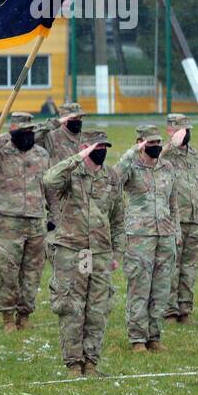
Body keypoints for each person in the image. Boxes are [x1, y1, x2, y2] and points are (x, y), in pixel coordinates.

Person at [43, 131, 124, 376]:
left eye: (105, 146)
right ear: (86, 147)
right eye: (98, 147)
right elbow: (48, 180)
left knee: (98, 308)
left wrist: (117, 253)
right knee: (71, 307)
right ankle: (73, 364)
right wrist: (76, 158)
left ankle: (91, 363)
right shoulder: (70, 174)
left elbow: (118, 217)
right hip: (72, 250)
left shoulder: (111, 177)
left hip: (99, 252)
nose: (103, 151)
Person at [0, 111, 51, 330]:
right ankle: (7, 317)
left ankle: (24, 316)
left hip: (36, 220)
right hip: (7, 221)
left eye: (30, 131)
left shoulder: (42, 154)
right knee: (7, 270)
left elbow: (49, 186)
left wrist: (54, 215)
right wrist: (3, 137)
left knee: (32, 272)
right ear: (12, 131)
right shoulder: (1, 153)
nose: (27, 135)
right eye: (22, 131)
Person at [118, 125, 178, 353]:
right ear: (140, 143)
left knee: (161, 289)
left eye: (158, 142)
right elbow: (114, 179)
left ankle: (154, 336)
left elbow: (172, 202)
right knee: (139, 287)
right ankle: (137, 339)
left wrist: (176, 232)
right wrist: (132, 152)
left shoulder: (167, 167)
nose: (155, 146)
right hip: (139, 237)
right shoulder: (131, 167)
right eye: (150, 143)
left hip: (165, 234)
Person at [161, 114, 198, 325]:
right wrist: (170, 145)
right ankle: (169, 311)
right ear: (171, 131)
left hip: (194, 220)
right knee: (172, 264)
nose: (186, 133)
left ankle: (185, 310)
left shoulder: (196, 157)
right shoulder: (163, 155)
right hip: (173, 220)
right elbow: (151, 164)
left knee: (190, 266)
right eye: (181, 130)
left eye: (188, 130)